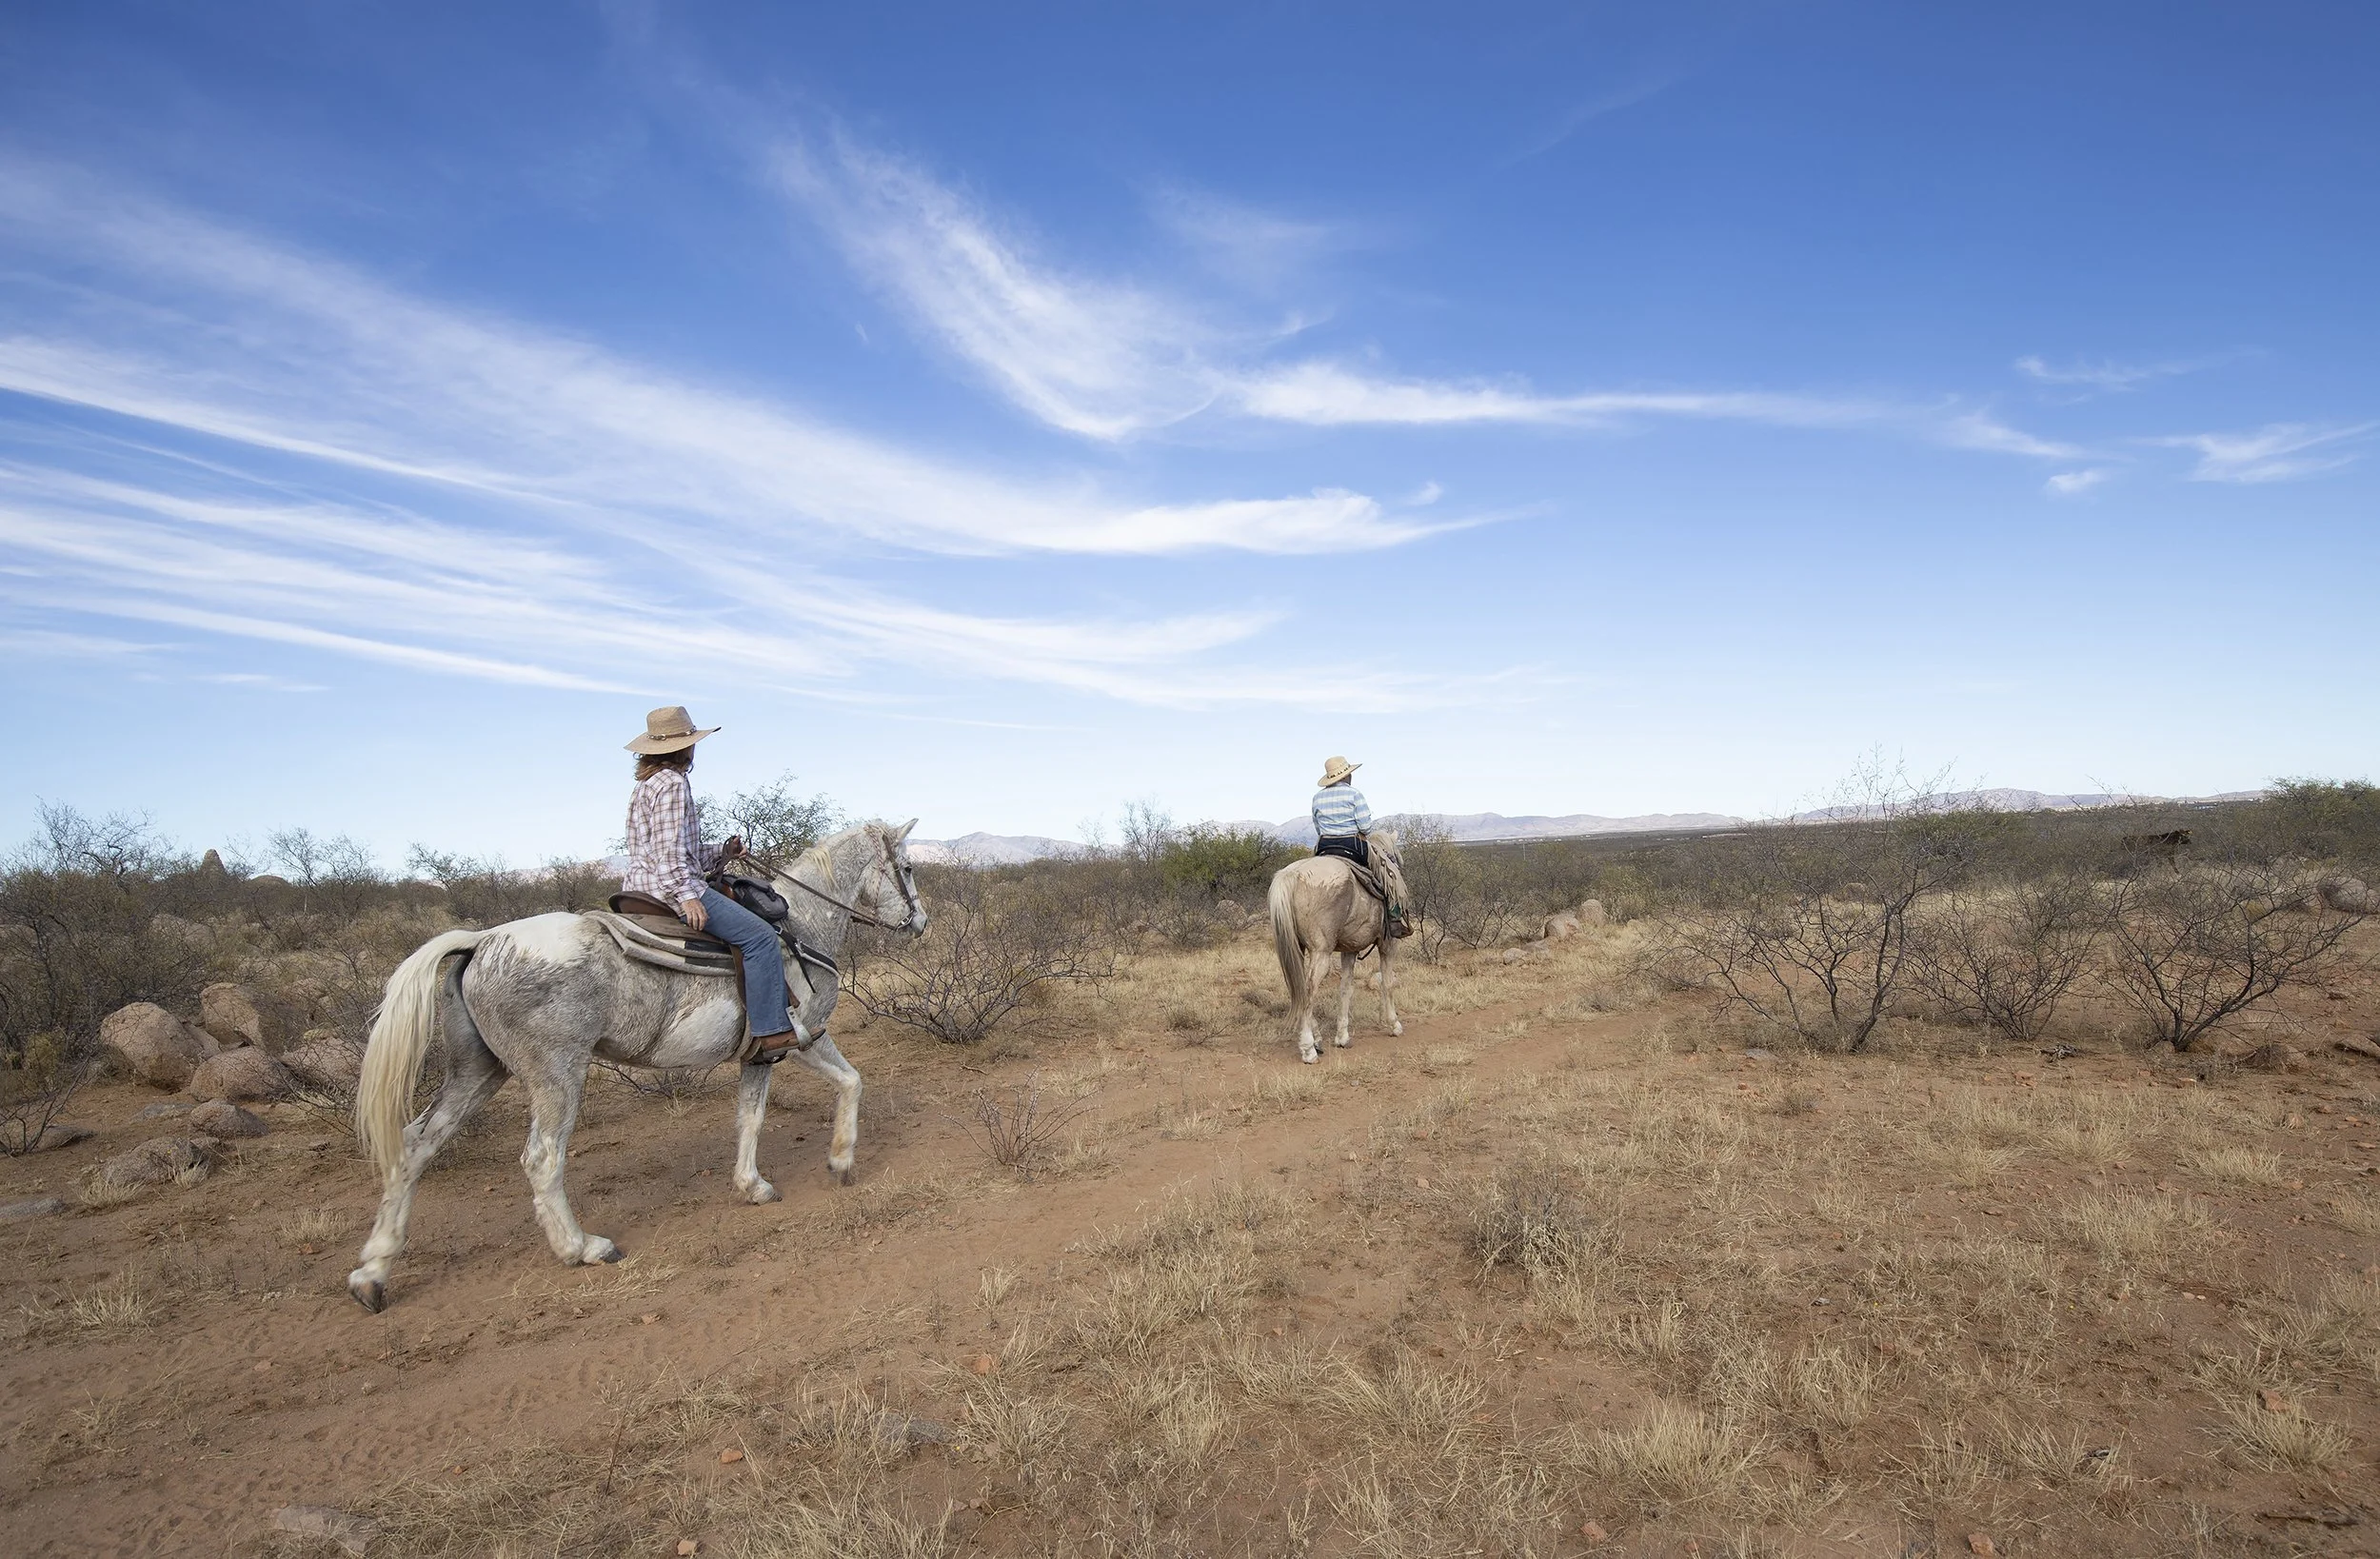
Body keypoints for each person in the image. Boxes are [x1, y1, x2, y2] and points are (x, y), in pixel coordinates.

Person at [620, 706, 796, 1049]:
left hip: (641, 885)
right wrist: (686, 896)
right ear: (686, 747)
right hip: (670, 888)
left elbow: (672, 850)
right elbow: (670, 855)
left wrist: (722, 851)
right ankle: (771, 1030)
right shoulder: (673, 783)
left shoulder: (646, 785)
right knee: (760, 936)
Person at [1311, 755, 1373, 868]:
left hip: (1324, 845)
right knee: (1377, 874)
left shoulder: (1317, 798)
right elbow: (1365, 827)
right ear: (1345, 776)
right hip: (1353, 845)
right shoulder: (1355, 794)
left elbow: (1318, 829)